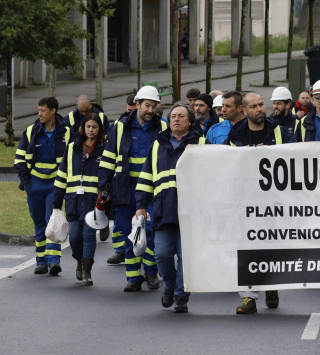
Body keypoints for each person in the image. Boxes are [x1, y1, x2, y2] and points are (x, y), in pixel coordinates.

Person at [225, 93, 295, 314]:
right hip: (245, 203)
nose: (260, 109)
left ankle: (271, 286)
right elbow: (223, 165)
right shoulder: (234, 136)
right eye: (254, 106)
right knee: (246, 249)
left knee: (273, 247)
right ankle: (248, 297)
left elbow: (298, 158)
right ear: (244, 111)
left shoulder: (280, 133)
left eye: (261, 105)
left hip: (275, 202)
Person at [135, 104, 206, 313]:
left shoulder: (201, 144)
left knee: (186, 257)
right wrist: (140, 206)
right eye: (173, 116)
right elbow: (146, 177)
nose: (176, 119)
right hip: (163, 210)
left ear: (190, 121)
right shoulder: (157, 145)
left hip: (191, 212)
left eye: (181, 116)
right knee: (162, 254)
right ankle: (169, 285)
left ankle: (181, 296)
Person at [98, 85, 166, 290]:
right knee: (129, 232)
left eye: (154, 106)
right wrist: (104, 188)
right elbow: (108, 159)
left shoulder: (162, 127)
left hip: (153, 189)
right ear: (137, 105)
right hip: (126, 188)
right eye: (147, 106)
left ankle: (151, 272)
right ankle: (133, 278)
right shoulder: (120, 127)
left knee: (152, 231)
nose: (150, 110)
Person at [15, 96, 72, 275]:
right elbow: (19, 159)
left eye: (43, 111)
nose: (39, 114)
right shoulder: (31, 131)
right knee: (39, 223)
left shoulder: (67, 132)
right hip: (35, 185)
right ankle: (41, 261)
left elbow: (73, 158)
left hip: (55, 185)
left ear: (53, 111)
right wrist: (27, 183)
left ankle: (54, 261)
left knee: (52, 220)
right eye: (39, 110)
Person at [53, 113, 106, 286]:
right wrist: (56, 202)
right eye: (88, 126)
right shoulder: (71, 148)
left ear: (99, 129)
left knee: (89, 234)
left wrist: (105, 197)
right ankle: (79, 260)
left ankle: (87, 270)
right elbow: (62, 175)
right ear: (82, 128)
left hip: (94, 200)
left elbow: (108, 176)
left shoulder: (105, 149)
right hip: (73, 200)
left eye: (95, 127)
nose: (91, 130)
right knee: (75, 236)